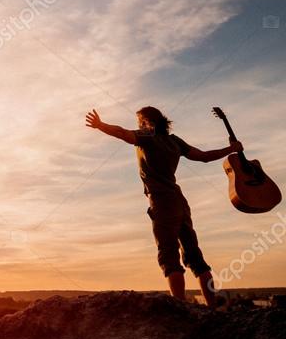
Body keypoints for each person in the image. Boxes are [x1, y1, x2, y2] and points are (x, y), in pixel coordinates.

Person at [84, 106, 242, 307]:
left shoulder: (147, 136)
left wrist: (100, 125)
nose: (138, 126)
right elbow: (204, 156)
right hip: (180, 201)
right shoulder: (174, 141)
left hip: (161, 201)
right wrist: (231, 149)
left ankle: (179, 310)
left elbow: (123, 133)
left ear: (146, 122)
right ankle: (212, 309)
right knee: (196, 257)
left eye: (140, 121)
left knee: (169, 256)